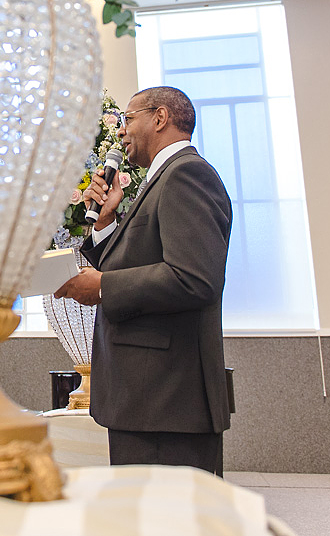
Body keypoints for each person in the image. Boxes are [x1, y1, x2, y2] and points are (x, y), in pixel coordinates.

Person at [56, 87, 233, 476]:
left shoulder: (187, 174)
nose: (121, 131)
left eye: (128, 119)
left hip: (168, 401)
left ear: (160, 117)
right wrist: (105, 221)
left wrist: (102, 286)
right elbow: (139, 260)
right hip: (148, 398)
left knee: (168, 508)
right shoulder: (163, 179)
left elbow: (194, 278)